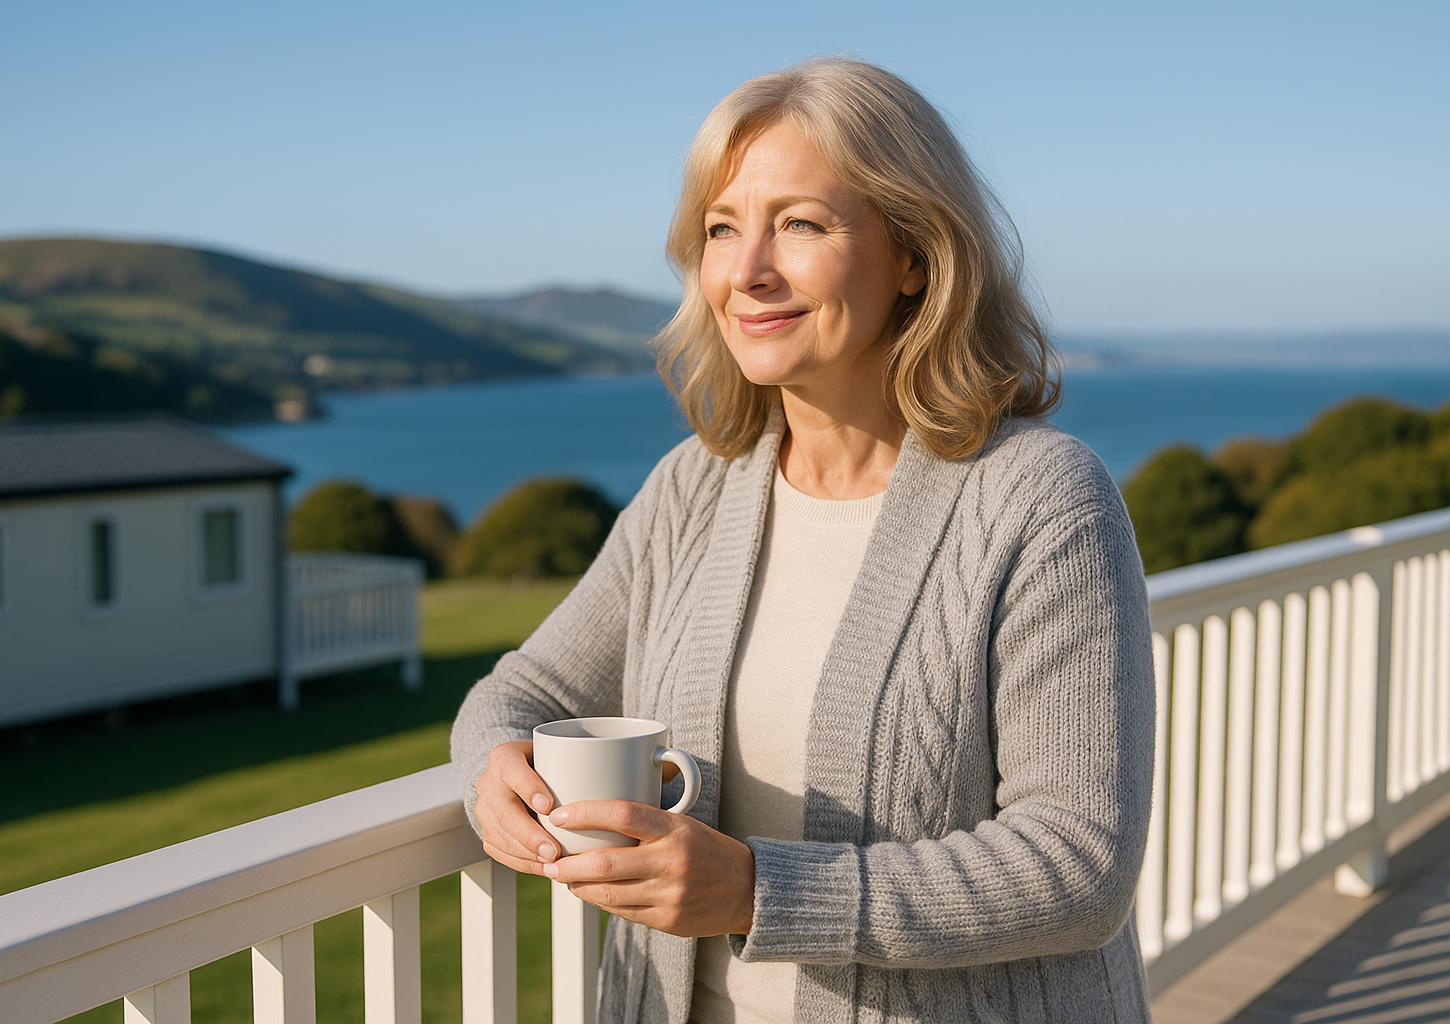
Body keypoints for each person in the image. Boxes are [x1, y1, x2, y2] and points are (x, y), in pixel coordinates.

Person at [452, 56, 1155, 1024]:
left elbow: (1079, 863)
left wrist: (753, 891)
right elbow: (525, 692)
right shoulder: (695, 487)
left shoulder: (1037, 497)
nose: (747, 272)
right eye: (722, 229)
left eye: (802, 224)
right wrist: (494, 765)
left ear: (916, 254)